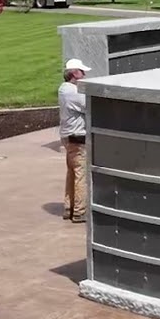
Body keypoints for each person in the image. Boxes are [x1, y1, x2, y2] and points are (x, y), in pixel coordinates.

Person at [58, 58, 91, 223]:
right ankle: (79, 211)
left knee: (72, 172)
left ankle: (69, 207)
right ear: (74, 74)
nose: (84, 75)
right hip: (77, 138)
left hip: (68, 137)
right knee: (80, 174)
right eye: (82, 72)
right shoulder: (73, 92)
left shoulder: (64, 89)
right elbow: (89, 107)